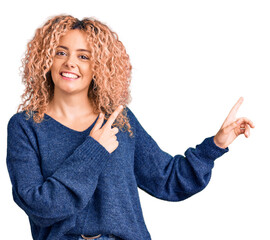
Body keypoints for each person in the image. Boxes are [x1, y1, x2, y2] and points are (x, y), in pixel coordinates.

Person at [6, 15, 255, 240]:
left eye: (84, 56)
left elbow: (167, 180)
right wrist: (94, 150)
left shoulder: (119, 120)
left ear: (98, 68)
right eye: (61, 53)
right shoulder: (25, 127)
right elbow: (40, 207)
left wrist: (216, 145)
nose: (71, 62)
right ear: (46, 60)